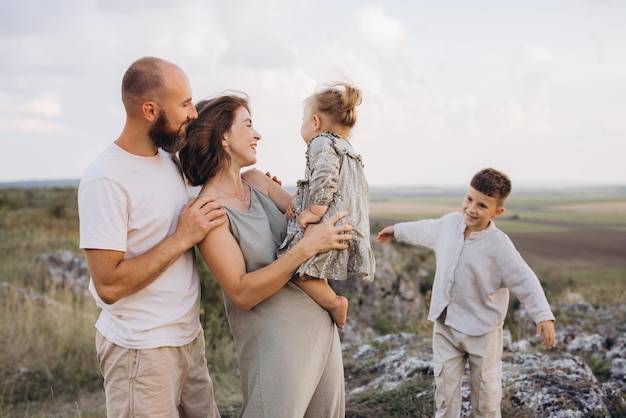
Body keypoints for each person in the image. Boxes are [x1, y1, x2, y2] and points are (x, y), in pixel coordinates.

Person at [178, 92, 353, 417]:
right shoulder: (209, 213)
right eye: (248, 125)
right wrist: (305, 248)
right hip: (276, 343)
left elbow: (308, 217)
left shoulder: (258, 181)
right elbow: (242, 292)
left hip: (320, 327)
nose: (257, 134)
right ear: (224, 137)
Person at [78, 57, 227, 417]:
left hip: (188, 341)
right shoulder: (106, 180)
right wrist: (182, 237)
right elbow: (109, 284)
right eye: (185, 104)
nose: (193, 113)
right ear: (149, 110)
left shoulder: (168, 159)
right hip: (140, 353)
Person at [376, 168, 556, 418]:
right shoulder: (449, 224)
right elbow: (425, 229)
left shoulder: (499, 246)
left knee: (485, 395)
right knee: (444, 392)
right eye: (469, 199)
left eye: (482, 205)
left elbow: (525, 280)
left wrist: (542, 315)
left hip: (483, 330)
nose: (471, 208)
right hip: (446, 324)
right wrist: (397, 230)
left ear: (497, 212)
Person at [276, 81, 376, 330]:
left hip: (327, 222)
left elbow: (325, 178)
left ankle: (334, 303)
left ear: (315, 122)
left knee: (292, 267)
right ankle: (328, 301)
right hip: (344, 223)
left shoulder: (320, 143)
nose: (302, 125)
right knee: (309, 269)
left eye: (303, 120)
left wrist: (313, 210)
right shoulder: (346, 149)